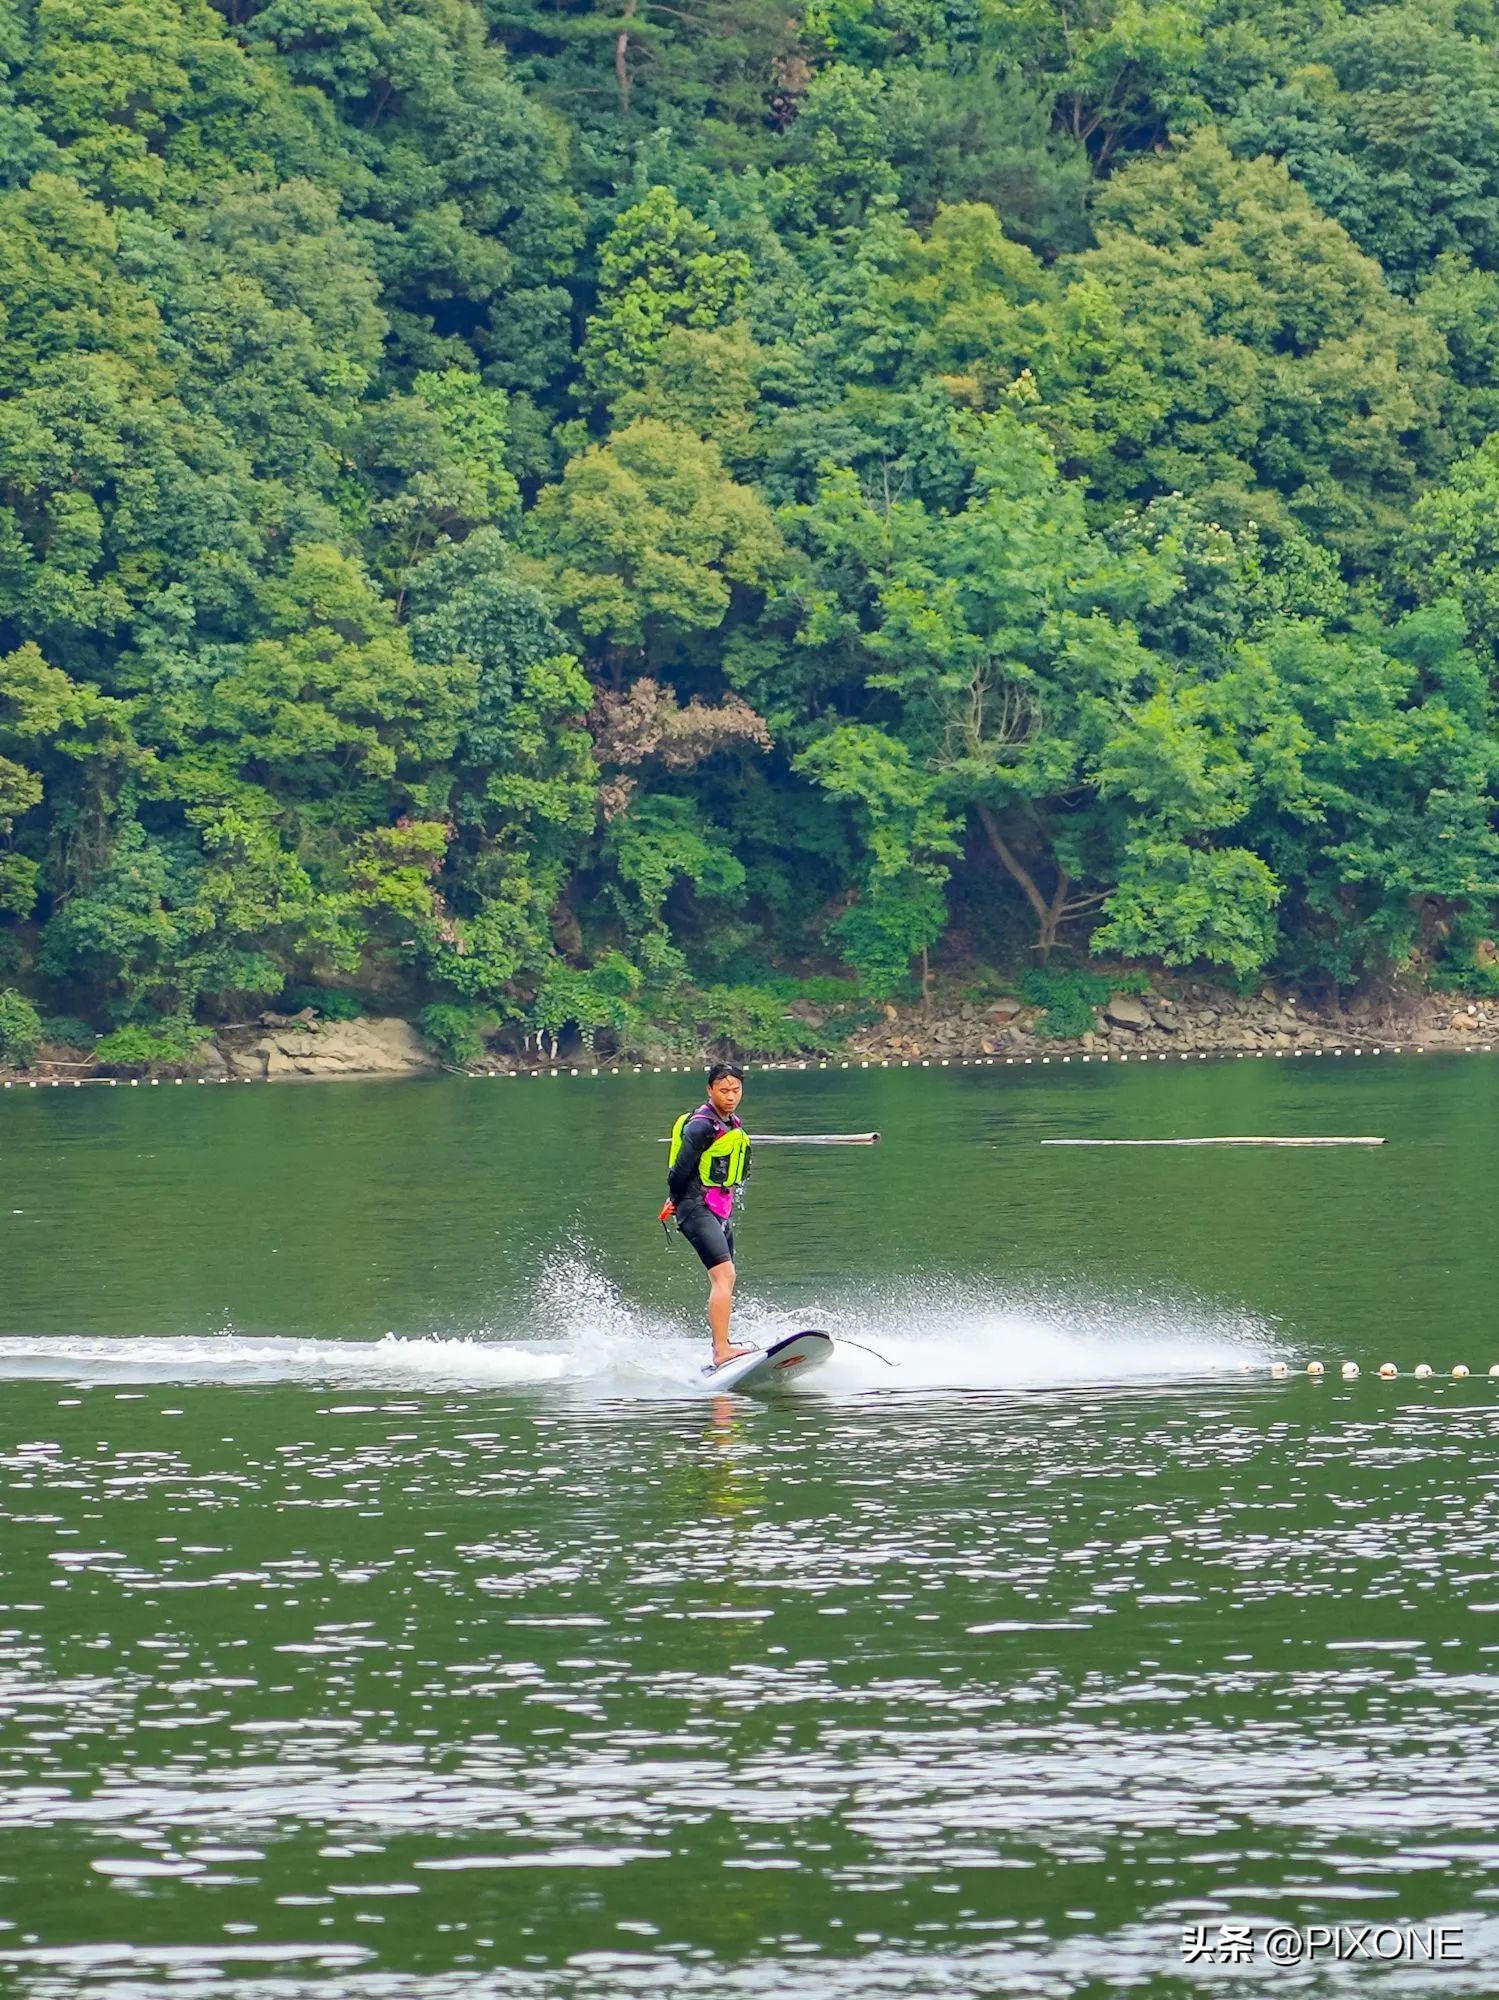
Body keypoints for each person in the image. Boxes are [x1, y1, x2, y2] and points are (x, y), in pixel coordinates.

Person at [659, 1063, 753, 1367]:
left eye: (736, 1090)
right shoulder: (701, 1126)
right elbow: (679, 1171)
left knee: (728, 1276)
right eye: (723, 1090)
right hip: (694, 1207)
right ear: (709, 1090)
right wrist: (674, 1200)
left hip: (717, 1209)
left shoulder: (731, 1122)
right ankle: (721, 1350)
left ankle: (721, 1344)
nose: (730, 1096)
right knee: (723, 1275)